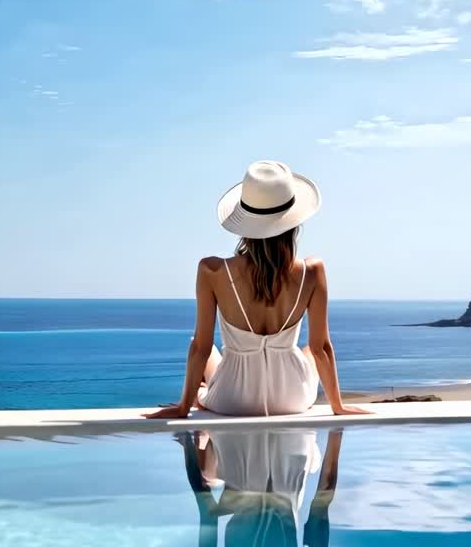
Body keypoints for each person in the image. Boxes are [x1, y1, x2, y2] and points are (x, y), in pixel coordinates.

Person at [146, 160, 368, 418]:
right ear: (293, 223)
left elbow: (201, 348)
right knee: (309, 349)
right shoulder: (312, 271)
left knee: (207, 352)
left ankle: (199, 397)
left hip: (232, 400)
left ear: (245, 224)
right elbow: (322, 349)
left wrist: (182, 408)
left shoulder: (212, 271)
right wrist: (338, 407)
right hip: (291, 398)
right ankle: (203, 395)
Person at [177, 428, 345, 547]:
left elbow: (323, 498)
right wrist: (187, 442)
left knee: (210, 475)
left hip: (293, 452)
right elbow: (206, 511)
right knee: (208, 475)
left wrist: (336, 432)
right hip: (242, 449)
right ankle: (205, 432)